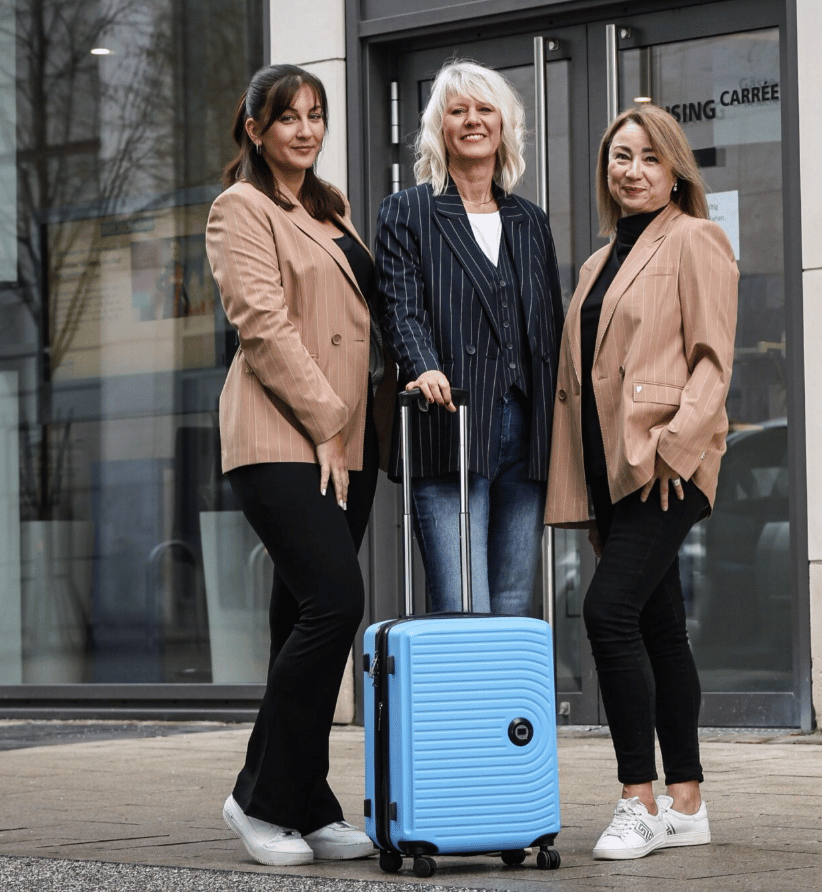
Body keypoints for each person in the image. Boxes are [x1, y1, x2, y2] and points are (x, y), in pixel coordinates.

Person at [544, 105, 738, 861]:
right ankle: (688, 802)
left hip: (666, 463)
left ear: (675, 168)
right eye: (620, 157)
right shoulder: (598, 264)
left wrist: (673, 447)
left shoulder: (696, 238)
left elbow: (712, 359)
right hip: (615, 471)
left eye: (649, 158)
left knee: (606, 611)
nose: (632, 170)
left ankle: (639, 798)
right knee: (658, 624)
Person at [206, 64, 382, 867]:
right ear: (255, 128)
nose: (306, 130)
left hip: (348, 441)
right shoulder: (240, 208)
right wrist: (330, 423)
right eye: (288, 118)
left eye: (316, 115)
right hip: (285, 436)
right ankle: (261, 799)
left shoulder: (330, 208)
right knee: (336, 603)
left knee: (298, 620)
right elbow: (264, 327)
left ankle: (308, 802)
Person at [375, 60, 563, 614]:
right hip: (448, 421)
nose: (473, 121)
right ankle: (463, 704)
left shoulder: (531, 220)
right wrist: (423, 364)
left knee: (511, 599)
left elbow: (548, 326)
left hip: (526, 431)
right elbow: (399, 307)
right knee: (464, 601)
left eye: (485, 110)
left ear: (504, 125)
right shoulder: (407, 211)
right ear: (441, 127)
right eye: (458, 111)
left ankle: (503, 706)